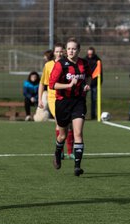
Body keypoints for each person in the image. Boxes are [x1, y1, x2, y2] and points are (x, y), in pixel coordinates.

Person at [49, 37, 91, 176]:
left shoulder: (84, 63)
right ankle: (57, 152)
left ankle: (77, 166)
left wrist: (87, 85)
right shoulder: (60, 64)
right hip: (63, 102)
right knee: (62, 135)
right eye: (69, 49)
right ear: (66, 51)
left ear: (78, 50)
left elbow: (88, 77)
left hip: (78, 101)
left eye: (74, 48)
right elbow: (52, 84)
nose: (71, 51)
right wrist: (68, 85)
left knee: (78, 133)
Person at [38, 43, 75, 159]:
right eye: (57, 51)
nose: (59, 53)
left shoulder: (67, 64)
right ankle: (61, 151)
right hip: (54, 98)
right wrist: (40, 99)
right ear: (53, 53)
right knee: (60, 123)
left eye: (61, 51)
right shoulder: (48, 65)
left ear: (64, 52)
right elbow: (42, 83)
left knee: (69, 125)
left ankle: (70, 152)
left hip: (67, 97)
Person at [84, 47, 103, 120]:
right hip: (85, 83)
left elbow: (100, 73)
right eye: (88, 54)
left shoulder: (98, 60)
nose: (90, 55)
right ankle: (82, 114)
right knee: (82, 100)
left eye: (91, 54)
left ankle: (93, 115)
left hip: (94, 83)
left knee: (94, 100)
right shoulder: (84, 60)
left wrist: (100, 82)